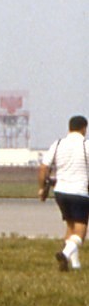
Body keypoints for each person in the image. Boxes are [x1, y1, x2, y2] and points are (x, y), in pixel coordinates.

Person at [38, 114, 88, 272]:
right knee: (81, 230)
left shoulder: (58, 144)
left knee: (70, 226)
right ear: (83, 128)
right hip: (80, 191)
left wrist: (41, 187)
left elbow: (44, 168)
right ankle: (65, 254)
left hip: (60, 192)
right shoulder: (86, 145)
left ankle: (75, 264)